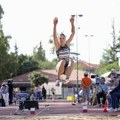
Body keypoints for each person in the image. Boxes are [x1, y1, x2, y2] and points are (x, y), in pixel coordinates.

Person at [53, 16, 75, 86]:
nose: (61, 39)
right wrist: (55, 25)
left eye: (63, 38)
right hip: (60, 67)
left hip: (67, 68)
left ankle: (66, 79)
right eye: (60, 38)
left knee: (72, 60)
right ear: (59, 40)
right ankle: (58, 79)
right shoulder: (58, 46)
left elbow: (73, 33)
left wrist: (72, 23)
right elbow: (54, 36)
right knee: (63, 61)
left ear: (65, 39)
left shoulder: (67, 44)